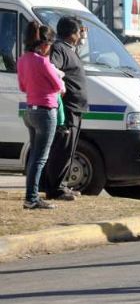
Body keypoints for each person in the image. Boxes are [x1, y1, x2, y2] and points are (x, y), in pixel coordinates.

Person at [17, 22, 65, 209]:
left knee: (34, 157)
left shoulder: (22, 60)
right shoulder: (43, 62)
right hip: (46, 112)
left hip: (30, 111)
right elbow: (58, 86)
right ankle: (31, 198)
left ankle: (31, 196)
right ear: (45, 44)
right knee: (40, 158)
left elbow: (22, 87)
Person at [41, 16, 87, 201]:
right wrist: (61, 88)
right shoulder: (59, 48)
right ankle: (56, 189)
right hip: (67, 107)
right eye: (78, 32)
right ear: (71, 34)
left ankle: (62, 185)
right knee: (62, 149)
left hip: (76, 108)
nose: (80, 35)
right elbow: (53, 69)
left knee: (68, 149)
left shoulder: (70, 49)